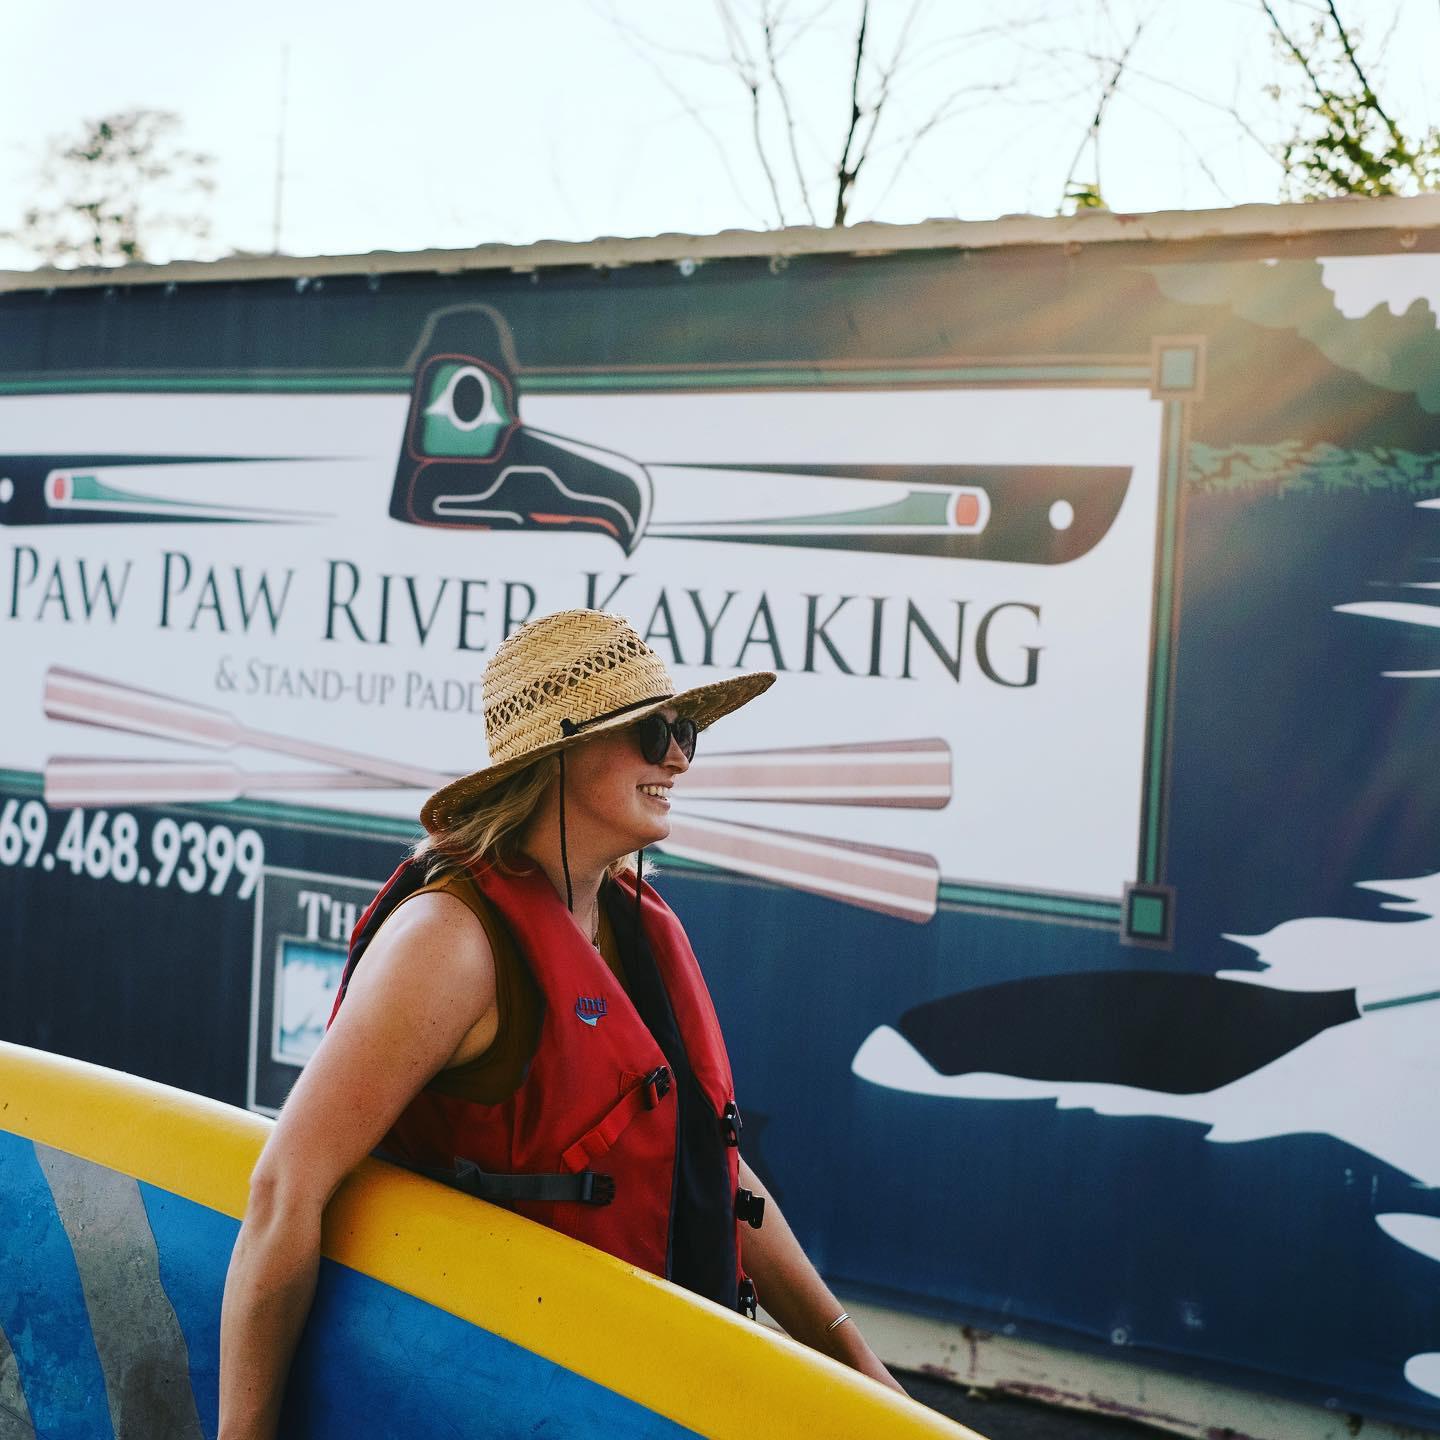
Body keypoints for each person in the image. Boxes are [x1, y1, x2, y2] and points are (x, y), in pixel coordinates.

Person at [218, 608, 903, 1437]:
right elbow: (284, 1194)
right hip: (479, 1398)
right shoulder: (451, 942)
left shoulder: (635, 926)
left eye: (685, 730)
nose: (680, 757)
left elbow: (711, 1167)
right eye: (654, 733)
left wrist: (858, 1368)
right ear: (560, 752)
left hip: (631, 1396)